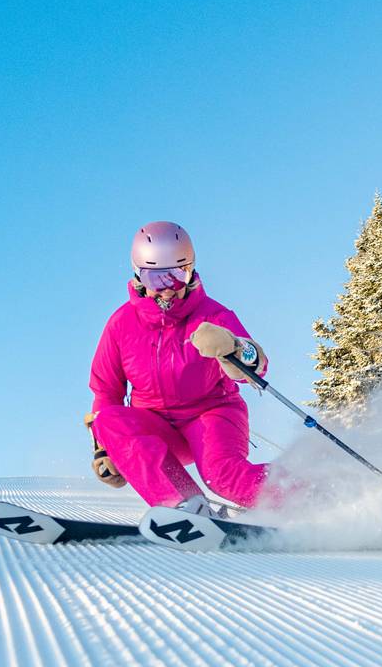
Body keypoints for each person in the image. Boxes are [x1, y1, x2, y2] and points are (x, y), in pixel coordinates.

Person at [86, 221, 271, 516]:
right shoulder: (121, 324)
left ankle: (308, 497)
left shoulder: (214, 315)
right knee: (106, 419)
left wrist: (234, 348)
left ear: (191, 270)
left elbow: (258, 366)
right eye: (157, 278)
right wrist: (104, 449)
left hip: (212, 414)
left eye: (177, 275)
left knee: (222, 476)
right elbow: (106, 390)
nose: (169, 290)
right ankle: (186, 505)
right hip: (157, 425)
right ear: (138, 274)